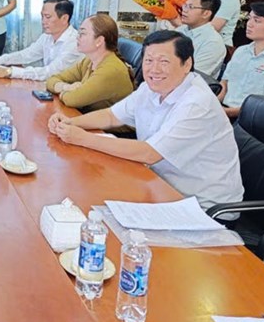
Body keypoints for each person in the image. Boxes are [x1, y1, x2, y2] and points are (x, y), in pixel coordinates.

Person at [48, 30, 243, 212]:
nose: (154, 69)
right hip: (158, 183)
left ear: (187, 64)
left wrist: (82, 138)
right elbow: (110, 116)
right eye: (148, 60)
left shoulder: (196, 103)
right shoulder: (150, 88)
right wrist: (69, 123)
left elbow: (150, 154)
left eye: (164, 61)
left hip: (200, 206)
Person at [0, 0, 82, 80]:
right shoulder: (47, 36)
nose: (43, 21)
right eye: (42, 16)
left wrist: (9, 72)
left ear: (64, 18)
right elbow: (27, 54)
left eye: (48, 17)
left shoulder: (74, 42)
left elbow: (50, 72)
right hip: (51, 86)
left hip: (68, 93)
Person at [45, 14, 133, 112]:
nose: (77, 38)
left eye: (83, 33)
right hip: (89, 122)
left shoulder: (111, 69)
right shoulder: (88, 61)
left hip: (105, 127)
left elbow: (72, 100)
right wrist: (66, 87)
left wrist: (62, 91)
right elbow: (51, 80)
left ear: (99, 41)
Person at [220, 1, 264, 118]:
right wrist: (215, 102)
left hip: (250, 120)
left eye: (257, 21)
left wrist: (228, 112)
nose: (249, 24)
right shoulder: (241, 51)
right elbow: (225, 82)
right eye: (249, 18)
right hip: (223, 111)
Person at [171, 0, 226, 78]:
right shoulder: (181, 30)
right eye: (185, 5)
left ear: (206, 13)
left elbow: (194, 75)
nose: (184, 10)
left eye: (191, 7)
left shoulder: (213, 42)